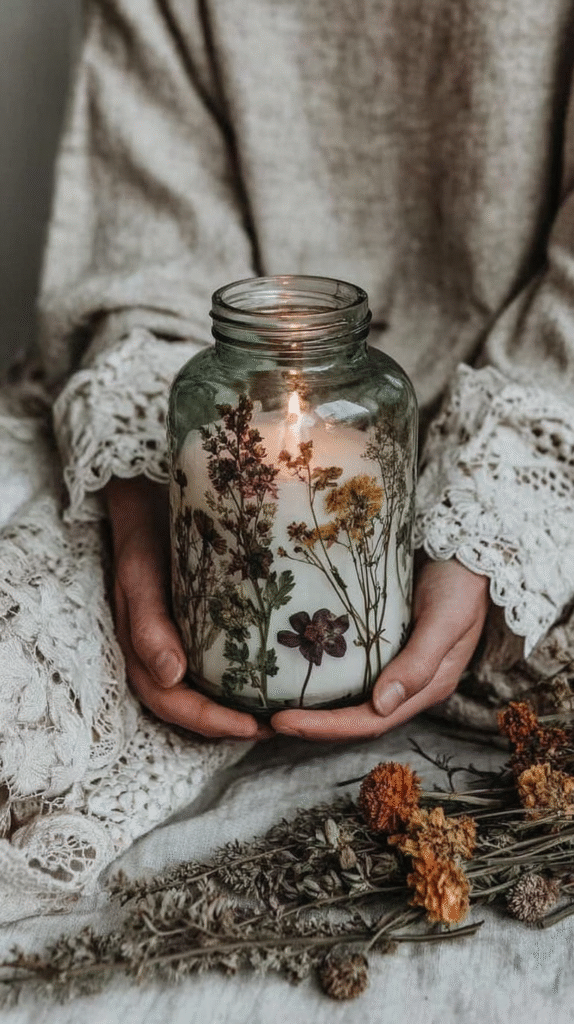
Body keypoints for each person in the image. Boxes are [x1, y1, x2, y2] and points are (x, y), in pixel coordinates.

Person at [3, 0, 574, 917]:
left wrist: (487, 537)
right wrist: (140, 510)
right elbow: (142, 246)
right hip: (199, 402)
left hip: (536, 396)